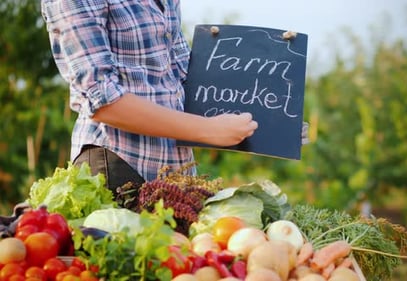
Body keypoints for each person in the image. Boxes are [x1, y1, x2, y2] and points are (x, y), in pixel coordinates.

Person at [40, 0, 259, 195]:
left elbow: (183, 74)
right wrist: (210, 130)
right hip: (116, 171)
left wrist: (278, 115)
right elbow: (101, 100)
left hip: (177, 176)